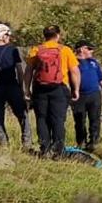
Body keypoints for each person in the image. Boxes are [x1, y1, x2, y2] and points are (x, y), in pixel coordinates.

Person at [24, 25, 81, 158]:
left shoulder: (36, 50)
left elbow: (28, 71)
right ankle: (58, 150)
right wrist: (76, 89)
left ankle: (45, 148)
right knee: (58, 119)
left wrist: (27, 89)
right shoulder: (65, 50)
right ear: (58, 35)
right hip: (60, 88)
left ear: (44, 35)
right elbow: (75, 71)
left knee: (42, 118)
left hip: (40, 88)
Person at [0, 23, 30, 150]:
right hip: (11, 86)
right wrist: (21, 87)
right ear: (2, 36)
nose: (9, 37)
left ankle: (3, 145)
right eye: (7, 35)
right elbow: (19, 70)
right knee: (22, 114)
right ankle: (27, 143)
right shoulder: (12, 50)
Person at [71, 41, 102, 151]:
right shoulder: (72, 61)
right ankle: (81, 143)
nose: (91, 51)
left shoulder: (93, 62)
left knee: (95, 119)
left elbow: (101, 78)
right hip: (79, 96)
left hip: (94, 94)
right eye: (89, 48)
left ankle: (94, 142)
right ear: (81, 49)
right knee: (79, 121)